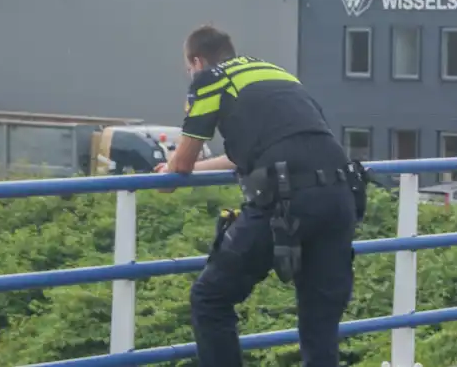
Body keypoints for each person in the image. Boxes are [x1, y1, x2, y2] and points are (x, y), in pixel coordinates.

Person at [155, 24, 367, 367]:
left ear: (196, 62)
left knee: (210, 298)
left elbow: (180, 165)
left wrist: (170, 173)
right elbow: (249, 154)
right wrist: (198, 168)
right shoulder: (276, 74)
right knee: (319, 317)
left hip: (286, 200)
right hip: (339, 195)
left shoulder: (210, 79)